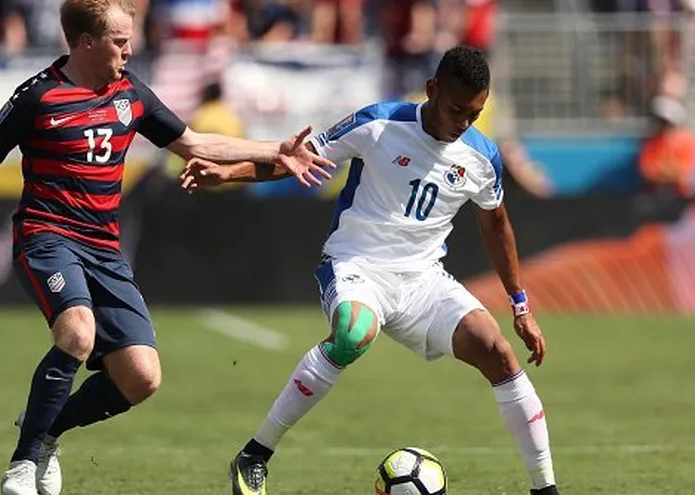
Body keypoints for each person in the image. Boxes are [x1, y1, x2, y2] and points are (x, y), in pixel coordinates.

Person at [0, 1, 335, 494]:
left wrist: (274, 150)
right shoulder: (39, 95)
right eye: (119, 41)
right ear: (86, 41)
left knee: (141, 378)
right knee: (78, 332)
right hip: (47, 236)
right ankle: (23, 465)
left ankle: (45, 428)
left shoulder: (130, 93)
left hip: (104, 248)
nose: (130, 50)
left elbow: (194, 144)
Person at [181, 46, 560, 495]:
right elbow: (298, 160)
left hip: (424, 281)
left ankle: (545, 489)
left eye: (474, 115)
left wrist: (520, 305)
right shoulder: (379, 123)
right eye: (457, 110)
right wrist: (228, 174)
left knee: (497, 352)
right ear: (433, 90)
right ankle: (254, 455)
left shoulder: (482, 157)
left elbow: (496, 225)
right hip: (357, 265)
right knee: (353, 333)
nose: (463, 123)